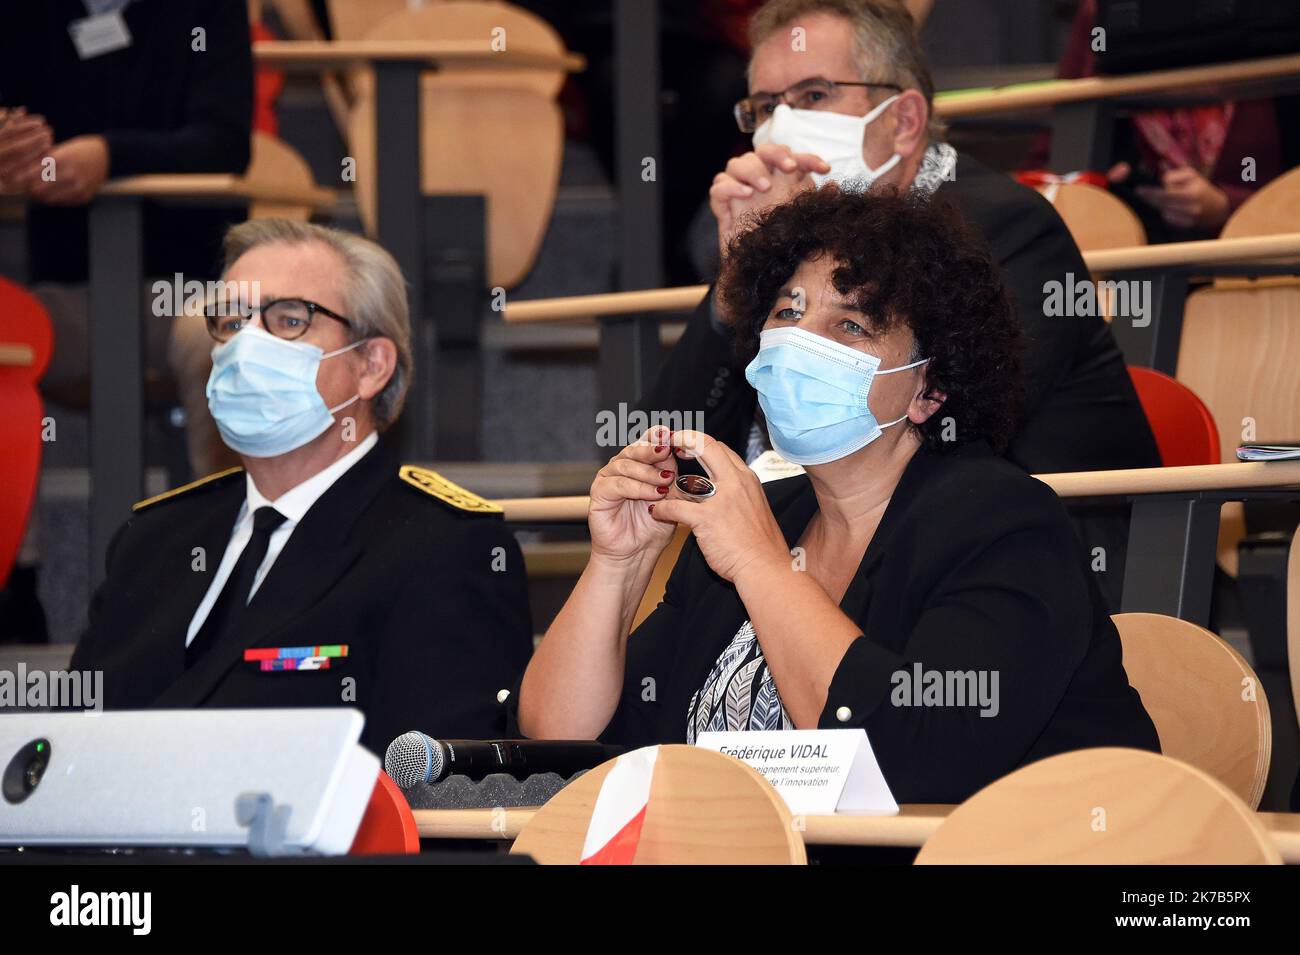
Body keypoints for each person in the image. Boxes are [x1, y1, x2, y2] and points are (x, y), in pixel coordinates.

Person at [517, 188, 1158, 805]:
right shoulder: (764, 516)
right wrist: (619, 565)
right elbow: (568, 740)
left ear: (928, 390)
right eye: (788, 314)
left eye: (850, 325)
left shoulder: (1005, 524)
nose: (803, 343)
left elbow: (912, 763)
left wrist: (761, 564)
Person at [638, 0, 1161, 611]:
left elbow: (953, 429)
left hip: (1006, 572)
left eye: (811, 97)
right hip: (804, 554)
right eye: (765, 107)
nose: (779, 130)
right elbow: (663, 452)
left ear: (906, 120)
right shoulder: (784, 243)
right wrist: (739, 283)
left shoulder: (1004, 225)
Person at [70, 220, 533, 754]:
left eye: (289, 320)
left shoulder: (444, 546)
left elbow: (431, 794)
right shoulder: (153, 538)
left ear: (371, 366)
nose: (247, 346)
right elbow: (70, 749)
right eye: (231, 321)